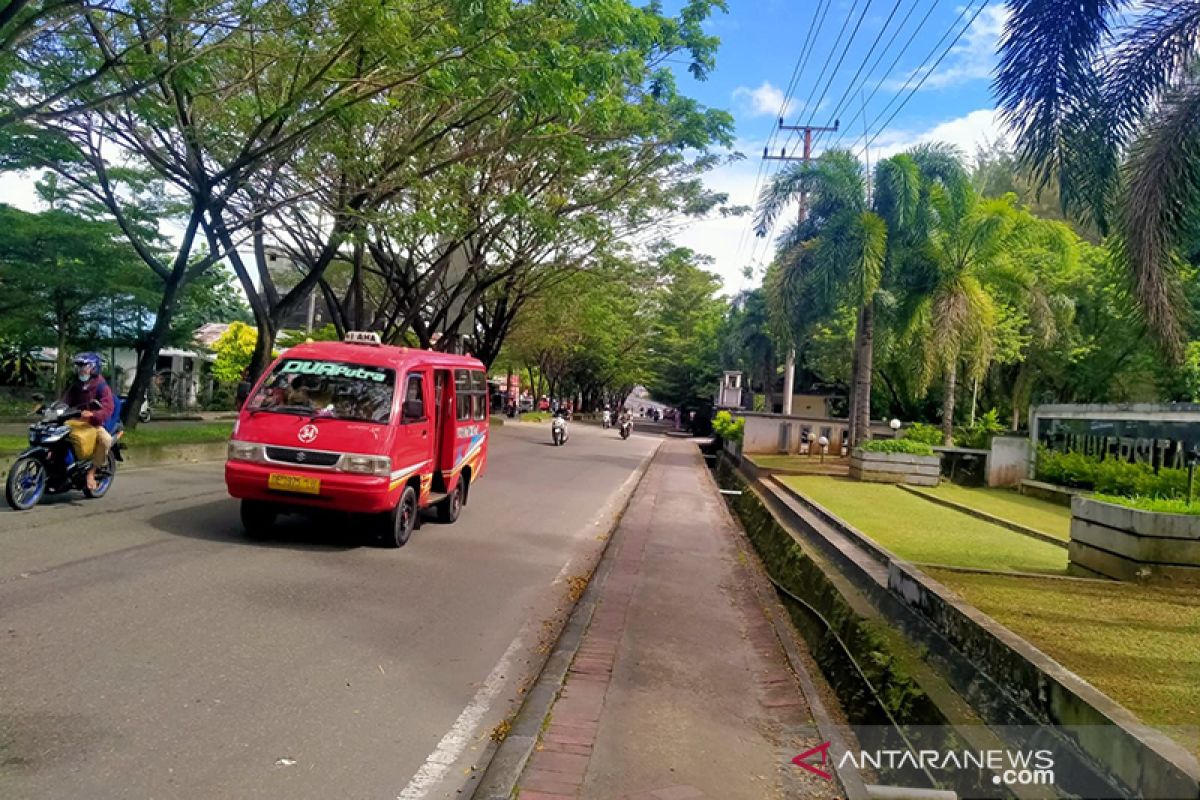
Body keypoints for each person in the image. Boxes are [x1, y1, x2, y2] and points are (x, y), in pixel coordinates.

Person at [62, 352, 115, 491]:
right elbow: (64, 402)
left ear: (93, 368)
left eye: (84, 366)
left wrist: (93, 414)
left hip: (94, 424)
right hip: (75, 422)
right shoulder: (76, 385)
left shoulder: (102, 386)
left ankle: (91, 473)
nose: (80, 369)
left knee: (106, 440)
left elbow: (108, 408)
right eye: (78, 366)